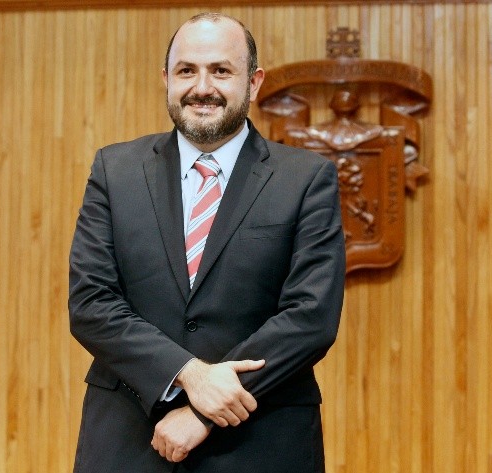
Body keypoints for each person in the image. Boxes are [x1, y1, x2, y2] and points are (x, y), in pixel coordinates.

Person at [68, 12, 346, 473]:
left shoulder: (306, 179)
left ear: (253, 82)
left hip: (262, 440)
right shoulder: (114, 172)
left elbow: (310, 317)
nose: (202, 87)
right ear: (166, 79)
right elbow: (91, 303)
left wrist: (204, 412)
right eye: (186, 71)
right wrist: (189, 375)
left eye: (221, 71)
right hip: (128, 440)